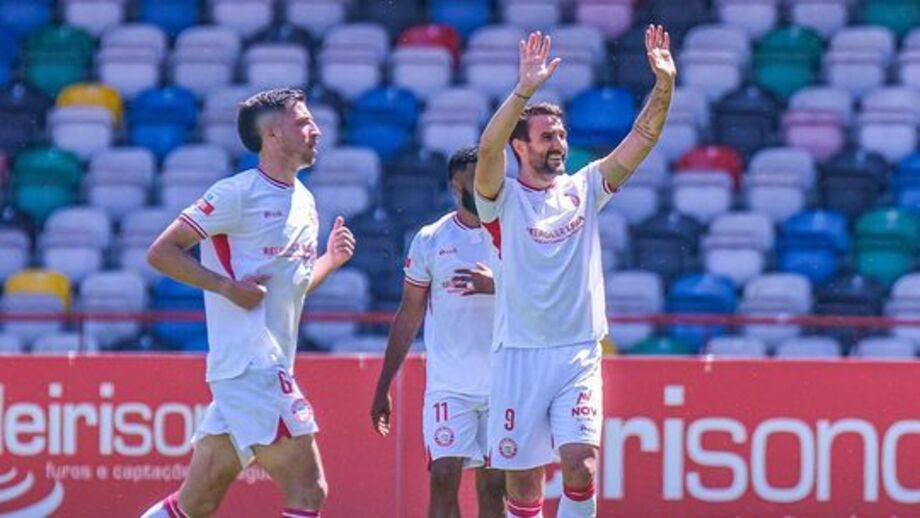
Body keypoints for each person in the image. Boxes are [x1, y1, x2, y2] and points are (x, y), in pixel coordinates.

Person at [473, 27, 676, 518]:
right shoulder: (500, 199)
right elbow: (485, 151)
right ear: (520, 147)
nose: (558, 143)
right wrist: (524, 90)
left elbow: (641, 139)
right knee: (522, 487)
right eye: (546, 136)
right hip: (518, 353)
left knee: (581, 467)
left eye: (562, 135)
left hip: (578, 350)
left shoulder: (586, 186)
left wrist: (664, 87)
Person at [140, 88, 356, 518]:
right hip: (254, 366)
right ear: (274, 133)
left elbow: (291, 289)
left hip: (253, 370)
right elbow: (161, 252)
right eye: (304, 122)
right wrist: (224, 287)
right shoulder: (235, 193)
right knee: (309, 490)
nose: (315, 129)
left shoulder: (305, 201)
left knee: (194, 504)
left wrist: (331, 260)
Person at [370, 146, 506, 518]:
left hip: (505, 382)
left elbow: (544, 293)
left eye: (487, 181)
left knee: (495, 485)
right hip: (450, 384)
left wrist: (499, 284)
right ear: (453, 186)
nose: (481, 190)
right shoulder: (431, 239)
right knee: (443, 476)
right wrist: (383, 385)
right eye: (472, 183)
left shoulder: (515, 233)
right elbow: (409, 312)